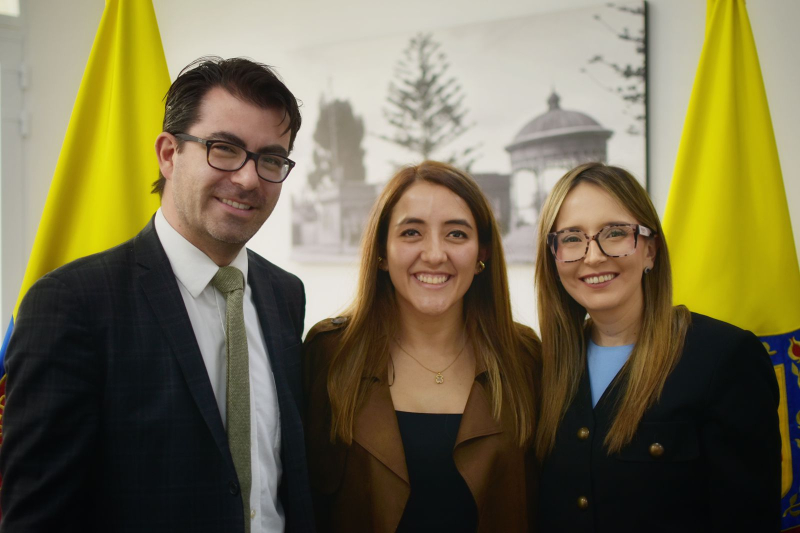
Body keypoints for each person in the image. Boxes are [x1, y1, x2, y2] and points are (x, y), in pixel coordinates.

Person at [0, 57, 314, 533]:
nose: (249, 179)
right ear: (169, 154)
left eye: (270, 159)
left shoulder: (286, 295)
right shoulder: (72, 304)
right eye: (224, 149)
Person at [534, 162, 780, 532]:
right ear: (553, 258)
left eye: (614, 233)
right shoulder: (544, 365)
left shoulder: (726, 357)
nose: (593, 255)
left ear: (650, 250)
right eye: (571, 238)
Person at [303, 160, 541, 533]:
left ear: (483, 254)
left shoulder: (525, 357)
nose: (434, 254)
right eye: (412, 232)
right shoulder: (330, 353)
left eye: (457, 234)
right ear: (382, 251)